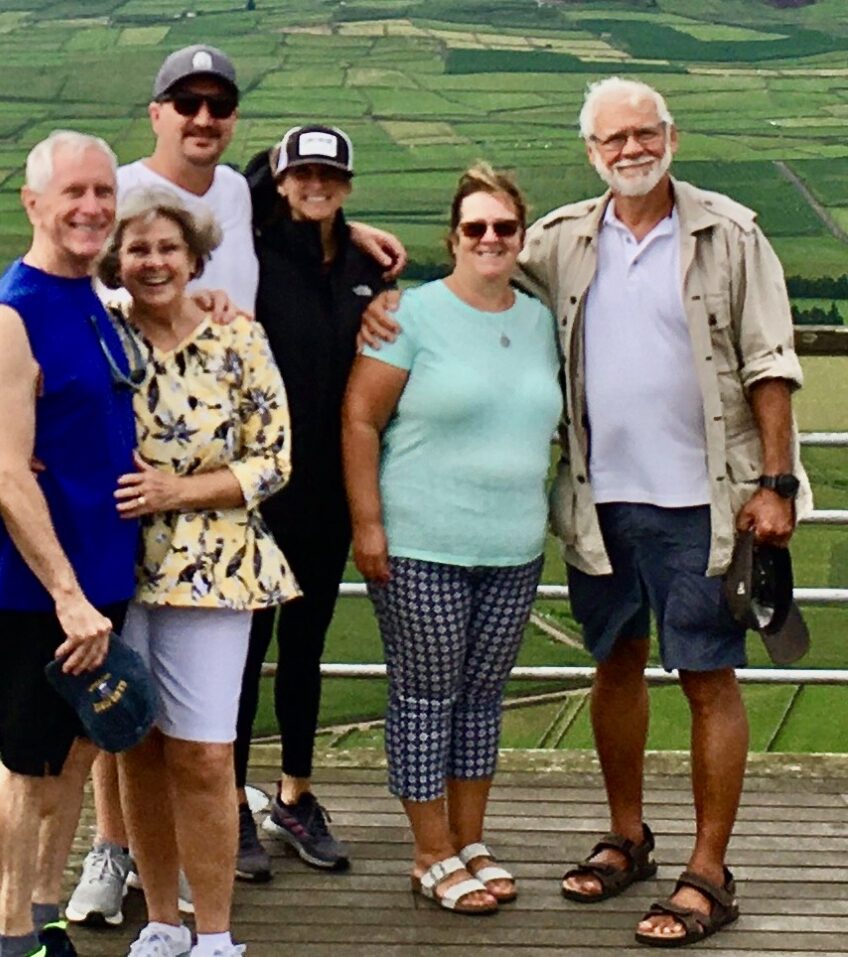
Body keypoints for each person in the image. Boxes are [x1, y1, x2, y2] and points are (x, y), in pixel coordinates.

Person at [361, 76, 812, 947]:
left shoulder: (731, 231)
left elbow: (771, 361)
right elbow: (475, 269)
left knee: (708, 677)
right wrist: (387, 296)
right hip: (599, 501)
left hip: (707, 505)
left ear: (671, 137)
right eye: (614, 140)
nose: (631, 149)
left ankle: (710, 871)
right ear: (592, 152)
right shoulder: (563, 237)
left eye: (645, 133)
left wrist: (778, 483)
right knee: (616, 661)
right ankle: (628, 836)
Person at [70, 43, 407, 923]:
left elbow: (296, 188)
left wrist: (362, 239)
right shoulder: (122, 185)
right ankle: (118, 855)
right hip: (133, 511)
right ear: (157, 111)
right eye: (187, 102)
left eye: (219, 103)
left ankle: (231, 845)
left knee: (214, 715)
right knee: (129, 714)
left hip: (240, 504)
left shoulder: (238, 195)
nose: (204, 117)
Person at [343, 163, 562, 915]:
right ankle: (429, 850)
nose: (491, 238)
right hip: (420, 543)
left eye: (504, 226)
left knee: (481, 699)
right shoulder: (410, 316)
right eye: (476, 227)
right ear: (454, 237)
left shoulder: (538, 320)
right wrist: (368, 523)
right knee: (425, 696)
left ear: (521, 237)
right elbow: (360, 419)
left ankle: (470, 840)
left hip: (513, 547)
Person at [98, 185, 299, 957]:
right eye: (138, 249)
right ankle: (161, 920)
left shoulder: (237, 338)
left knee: (207, 751)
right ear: (118, 259)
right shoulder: (103, 334)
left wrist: (177, 489)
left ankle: (215, 932)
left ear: (195, 258)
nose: (153, 263)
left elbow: (274, 458)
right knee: (138, 745)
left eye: (168, 249)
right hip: (118, 563)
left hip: (217, 566)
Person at [0, 129, 138, 957]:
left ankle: (45, 913)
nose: (91, 207)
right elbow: (1, 462)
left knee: (74, 755)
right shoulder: (14, 312)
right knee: (28, 769)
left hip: (101, 576)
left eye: (102, 192)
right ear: (33, 203)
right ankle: (8, 939)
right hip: (40, 592)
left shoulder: (88, 297)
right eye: (72, 192)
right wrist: (67, 595)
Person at [231, 125, 389, 881]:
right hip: (257, 495)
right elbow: (235, 188)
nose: (315, 186)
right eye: (302, 174)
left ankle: (295, 794)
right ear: (283, 180)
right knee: (243, 651)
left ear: (347, 185)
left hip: (328, 490)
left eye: (330, 175)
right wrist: (270, 173)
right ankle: (228, 805)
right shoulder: (254, 254)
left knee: (306, 648)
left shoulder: (365, 265)